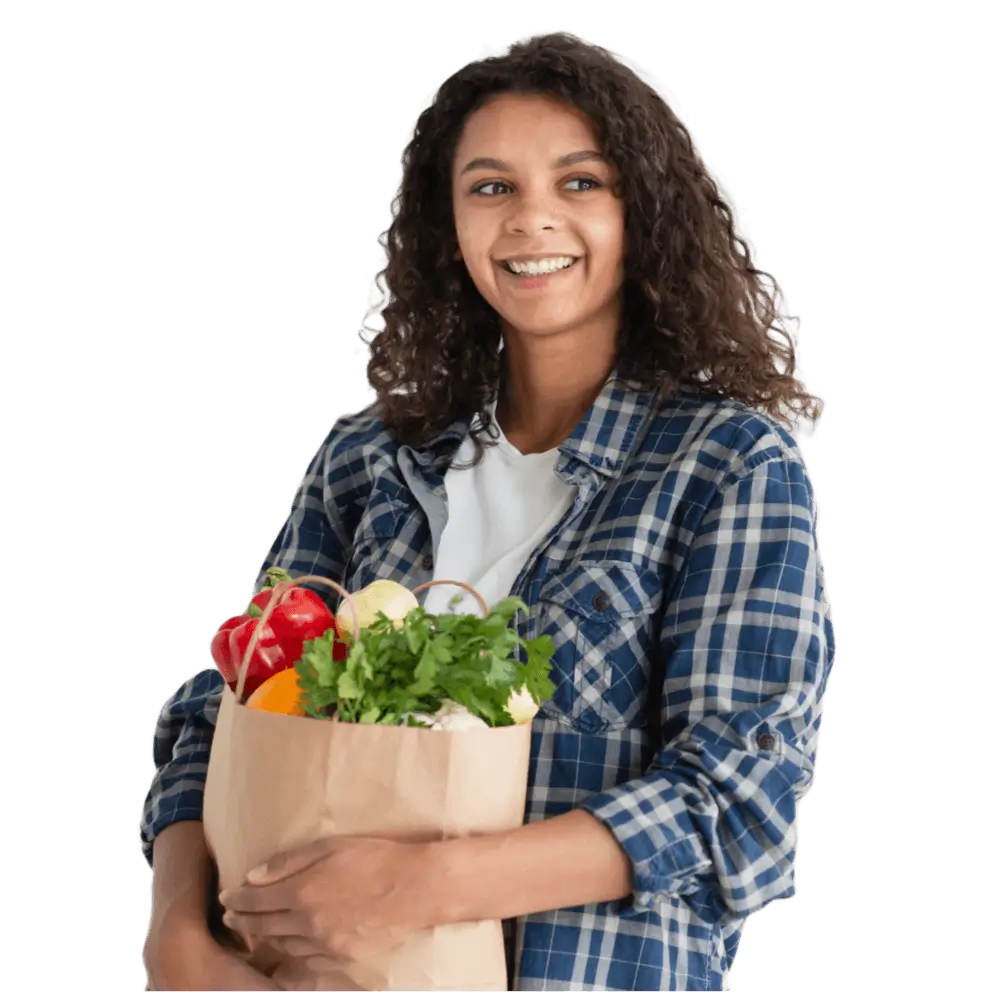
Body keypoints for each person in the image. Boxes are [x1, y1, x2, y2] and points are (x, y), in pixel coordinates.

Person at [140, 32, 834, 993]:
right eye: (491, 186)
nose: (529, 221)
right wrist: (176, 927)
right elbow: (223, 707)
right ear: (449, 222)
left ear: (644, 212)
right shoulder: (367, 459)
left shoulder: (724, 466)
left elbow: (735, 797)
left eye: (580, 182)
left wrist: (420, 886)